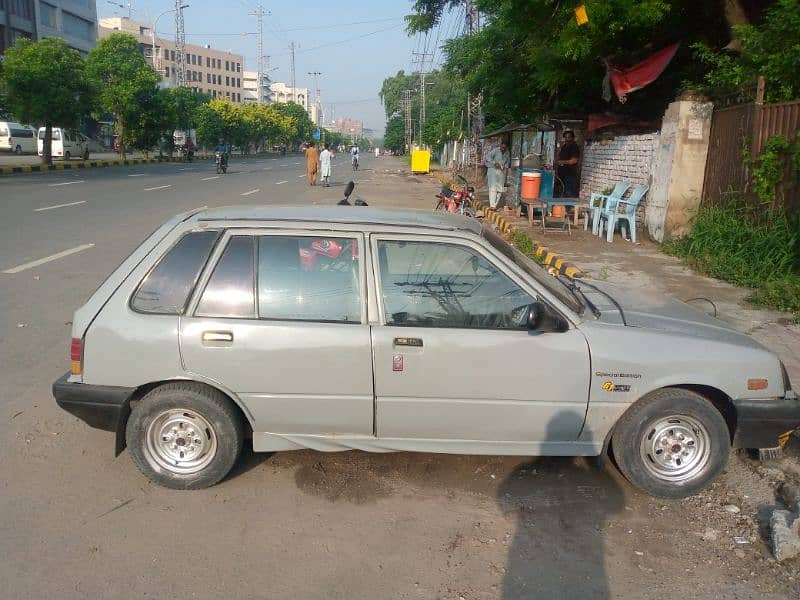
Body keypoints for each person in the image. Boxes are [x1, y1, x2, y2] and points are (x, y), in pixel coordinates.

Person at [484, 140, 509, 209]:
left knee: (500, 189)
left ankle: (495, 204)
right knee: (492, 188)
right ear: (500, 145)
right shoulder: (495, 150)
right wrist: (494, 163)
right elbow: (487, 157)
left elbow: (506, 166)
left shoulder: (507, 153)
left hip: (501, 172)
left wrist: (506, 178)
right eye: (502, 147)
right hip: (492, 170)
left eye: (504, 148)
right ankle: (492, 206)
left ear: (506, 148)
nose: (503, 149)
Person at [556, 130, 580, 197]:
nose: (567, 139)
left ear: (573, 138)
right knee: (561, 191)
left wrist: (562, 162)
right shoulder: (564, 146)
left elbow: (574, 161)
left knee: (568, 192)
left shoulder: (574, 147)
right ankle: (561, 206)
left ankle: (568, 207)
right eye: (565, 137)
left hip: (569, 174)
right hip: (562, 173)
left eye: (569, 137)